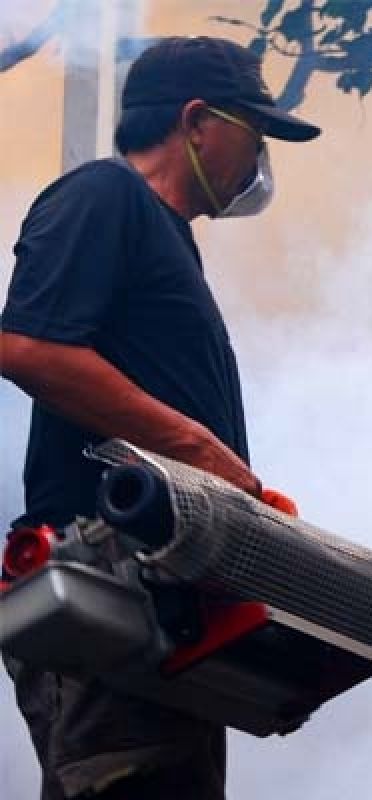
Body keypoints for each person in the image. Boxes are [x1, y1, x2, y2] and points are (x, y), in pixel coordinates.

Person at [0, 36, 319, 799]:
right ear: (199, 122)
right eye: (256, 131)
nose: (262, 159)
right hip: (110, 589)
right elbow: (28, 344)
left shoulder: (169, 239)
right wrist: (199, 451)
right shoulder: (104, 196)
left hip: (163, 604)